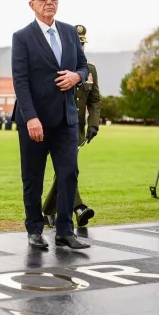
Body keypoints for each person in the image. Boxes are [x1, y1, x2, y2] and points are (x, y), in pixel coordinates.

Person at [11, 0, 91, 250]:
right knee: (33, 177)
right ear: (31, 4)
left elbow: (83, 67)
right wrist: (31, 117)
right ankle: (34, 229)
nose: (49, 1)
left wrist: (76, 76)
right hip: (35, 120)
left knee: (69, 174)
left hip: (66, 120)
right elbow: (20, 81)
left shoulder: (69, 32)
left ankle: (65, 230)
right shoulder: (22, 37)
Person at [42, 24, 99, 228]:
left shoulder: (89, 69)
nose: (80, 48)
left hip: (77, 129)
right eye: (77, 44)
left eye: (82, 44)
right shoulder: (58, 65)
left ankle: (47, 210)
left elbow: (94, 100)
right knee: (67, 169)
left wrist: (94, 124)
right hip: (57, 126)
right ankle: (79, 208)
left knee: (64, 170)